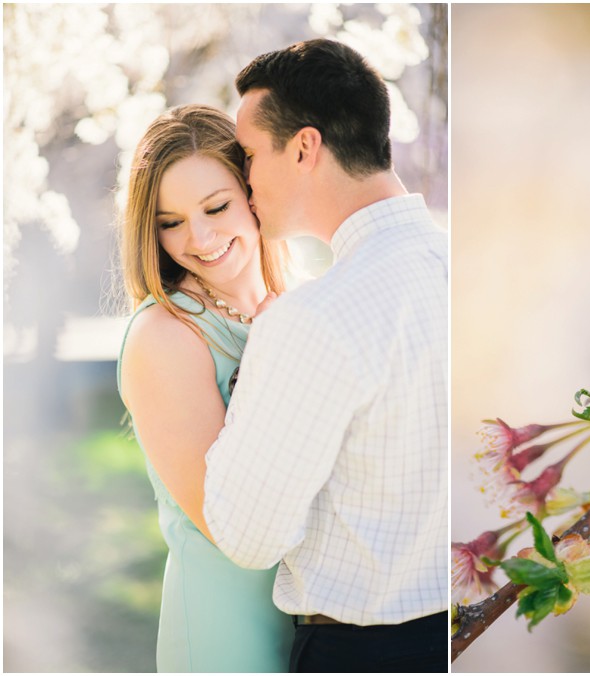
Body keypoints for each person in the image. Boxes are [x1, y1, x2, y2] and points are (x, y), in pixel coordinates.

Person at [199, 39, 449, 672]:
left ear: (305, 147)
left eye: (250, 154)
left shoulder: (314, 318)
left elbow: (249, 536)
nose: (246, 180)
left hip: (362, 652)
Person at [117, 104, 294, 672]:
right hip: (229, 633)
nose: (200, 237)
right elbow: (227, 525)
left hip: (319, 618)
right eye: (171, 221)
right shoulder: (164, 335)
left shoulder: (295, 300)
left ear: (254, 192)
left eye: (216, 207)